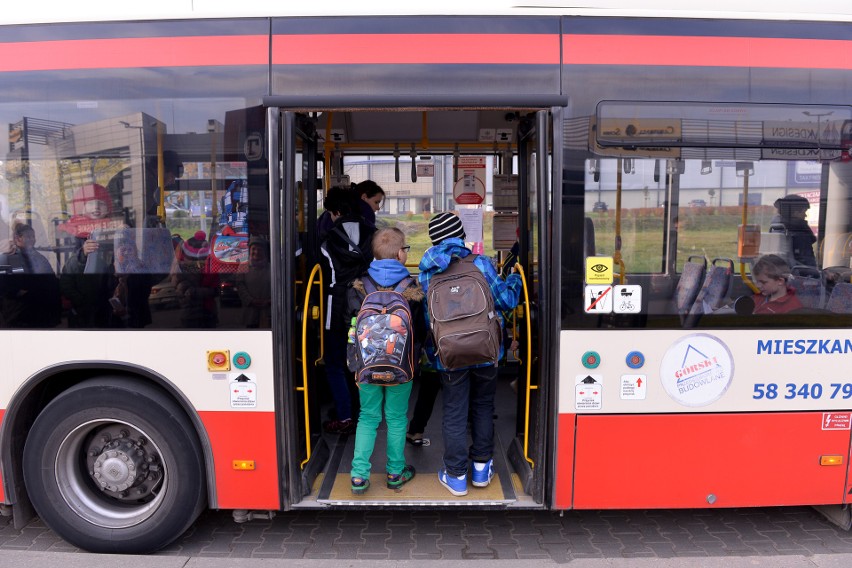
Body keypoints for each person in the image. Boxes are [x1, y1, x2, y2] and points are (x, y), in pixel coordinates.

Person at [419, 211, 522, 496]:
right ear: (461, 236)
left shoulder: (426, 272)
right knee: (482, 407)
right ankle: (480, 470)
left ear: (434, 240)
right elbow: (505, 301)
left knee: (453, 411)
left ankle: (454, 477)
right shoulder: (480, 263)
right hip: (486, 350)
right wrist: (515, 280)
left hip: (447, 354)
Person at [347, 228, 424, 494]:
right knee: (396, 418)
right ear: (400, 254)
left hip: (366, 366)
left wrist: (355, 366)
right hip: (401, 367)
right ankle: (395, 472)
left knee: (367, 417)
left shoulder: (359, 285)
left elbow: (353, 329)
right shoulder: (412, 288)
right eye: (406, 249)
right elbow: (420, 332)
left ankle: (358, 475)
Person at [319, 187, 376, 434]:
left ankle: (344, 417)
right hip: (364, 304)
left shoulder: (326, 239)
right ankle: (367, 414)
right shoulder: (373, 235)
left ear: (337, 211)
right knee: (363, 360)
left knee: (334, 363)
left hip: (335, 306)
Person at [0, 222, 61, 327]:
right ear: (18, 238)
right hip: (21, 314)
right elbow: (13, 285)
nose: (32, 239)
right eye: (28, 236)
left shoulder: (39, 256)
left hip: (43, 313)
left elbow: (51, 278)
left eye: (33, 236)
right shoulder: (11, 257)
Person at [770, 194, 816, 267]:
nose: (805, 215)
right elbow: (808, 262)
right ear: (795, 213)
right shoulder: (800, 233)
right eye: (804, 212)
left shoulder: (776, 228)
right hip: (803, 275)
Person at [236, 236, 271, 328]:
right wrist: (251, 301)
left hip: (268, 311)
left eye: (260, 249)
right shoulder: (243, 266)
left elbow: (277, 287)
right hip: (250, 312)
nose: (256, 252)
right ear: (249, 250)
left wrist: (269, 301)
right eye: (254, 249)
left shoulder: (272, 268)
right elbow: (240, 286)